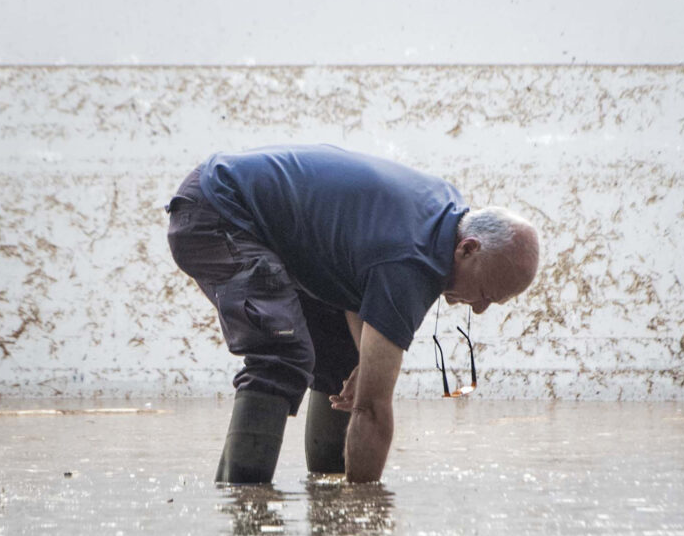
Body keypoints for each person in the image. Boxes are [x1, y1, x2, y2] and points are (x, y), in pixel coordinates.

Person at [165, 144, 542, 485]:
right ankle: (243, 501)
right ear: (468, 249)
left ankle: (326, 488)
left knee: (346, 363)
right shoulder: (411, 262)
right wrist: (365, 512)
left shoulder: (444, 217)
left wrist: (365, 359)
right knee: (281, 354)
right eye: (486, 293)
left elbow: (355, 273)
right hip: (219, 209)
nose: (478, 307)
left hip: (264, 224)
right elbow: (372, 412)